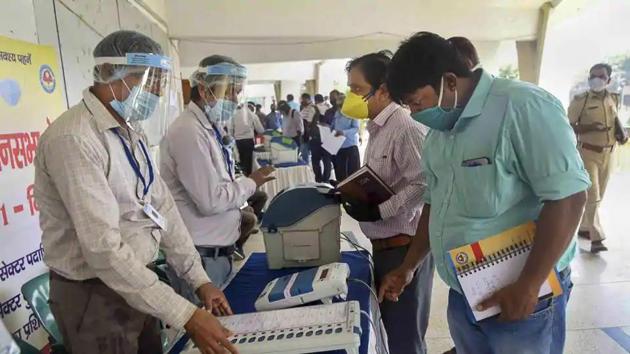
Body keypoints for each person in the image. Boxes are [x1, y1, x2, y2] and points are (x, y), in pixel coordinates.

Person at [381, 32, 590, 354]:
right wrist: (409, 265)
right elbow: (434, 203)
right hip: (466, 286)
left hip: (520, 291)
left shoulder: (523, 107)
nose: (413, 113)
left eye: (416, 101)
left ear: (449, 81)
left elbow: (568, 197)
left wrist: (529, 284)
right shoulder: (440, 132)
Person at [34, 30, 237, 354]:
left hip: (138, 284)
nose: (155, 92)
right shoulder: (74, 139)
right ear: (111, 73)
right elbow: (103, 250)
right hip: (95, 297)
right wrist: (186, 314)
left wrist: (198, 278)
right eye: (148, 80)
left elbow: (163, 208)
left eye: (158, 81)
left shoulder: (130, 131)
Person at [339, 51, 434, 354]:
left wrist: (382, 209)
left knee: (405, 340)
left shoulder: (405, 128)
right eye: (349, 89)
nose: (351, 97)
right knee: (392, 334)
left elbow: (425, 184)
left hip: (404, 249)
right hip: (383, 247)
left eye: (357, 90)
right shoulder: (377, 128)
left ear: (383, 90)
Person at [160, 54, 275, 293]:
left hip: (216, 252)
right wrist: (250, 183)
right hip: (200, 258)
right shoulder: (188, 132)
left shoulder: (209, 126)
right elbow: (210, 201)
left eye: (237, 92)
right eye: (230, 92)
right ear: (204, 90)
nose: (235, 99)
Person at [568, 63, 628, 253]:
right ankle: (597, 238)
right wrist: (590, 128)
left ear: (608, 80)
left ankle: (585, 228)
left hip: (609, 153)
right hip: (588, 153)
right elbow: (568, 125)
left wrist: (621, 133)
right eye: (592, 76)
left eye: (601, 76)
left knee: (599, 195)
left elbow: (615, 120)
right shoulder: (581, 100)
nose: (596, 80)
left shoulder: (613, 99)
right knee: (592, 195)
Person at [331, 92, 360, 181]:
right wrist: (329, 128)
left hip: (350, 146)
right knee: (340, 172)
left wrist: (343, 132)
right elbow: (334, 125)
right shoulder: (337, 113)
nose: (340, 108)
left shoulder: (353, 113)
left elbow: (356, 128)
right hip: (338, 146)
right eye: (338, 105)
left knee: (352, 173)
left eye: (341, 105)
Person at [231, 102, 264, 176]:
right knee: (249, 162)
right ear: (251, 108)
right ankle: (248, 178)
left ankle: (242, 177)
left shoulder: (235, 115)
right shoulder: (252, 115)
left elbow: (231, 129)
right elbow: (260, 130)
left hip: (238, 141)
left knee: (241, 161)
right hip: (248, 141)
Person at [299, 93, 317, 162]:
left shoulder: (312, 108)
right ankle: (306, 164)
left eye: (303, 100)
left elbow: (309, 122)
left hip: (308, 134)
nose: (302, 101)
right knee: (304, 152)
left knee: (305, 150)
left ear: (309, 99)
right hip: (303, 133)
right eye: (301, 100)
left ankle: (306, 166)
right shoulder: (304, 108)